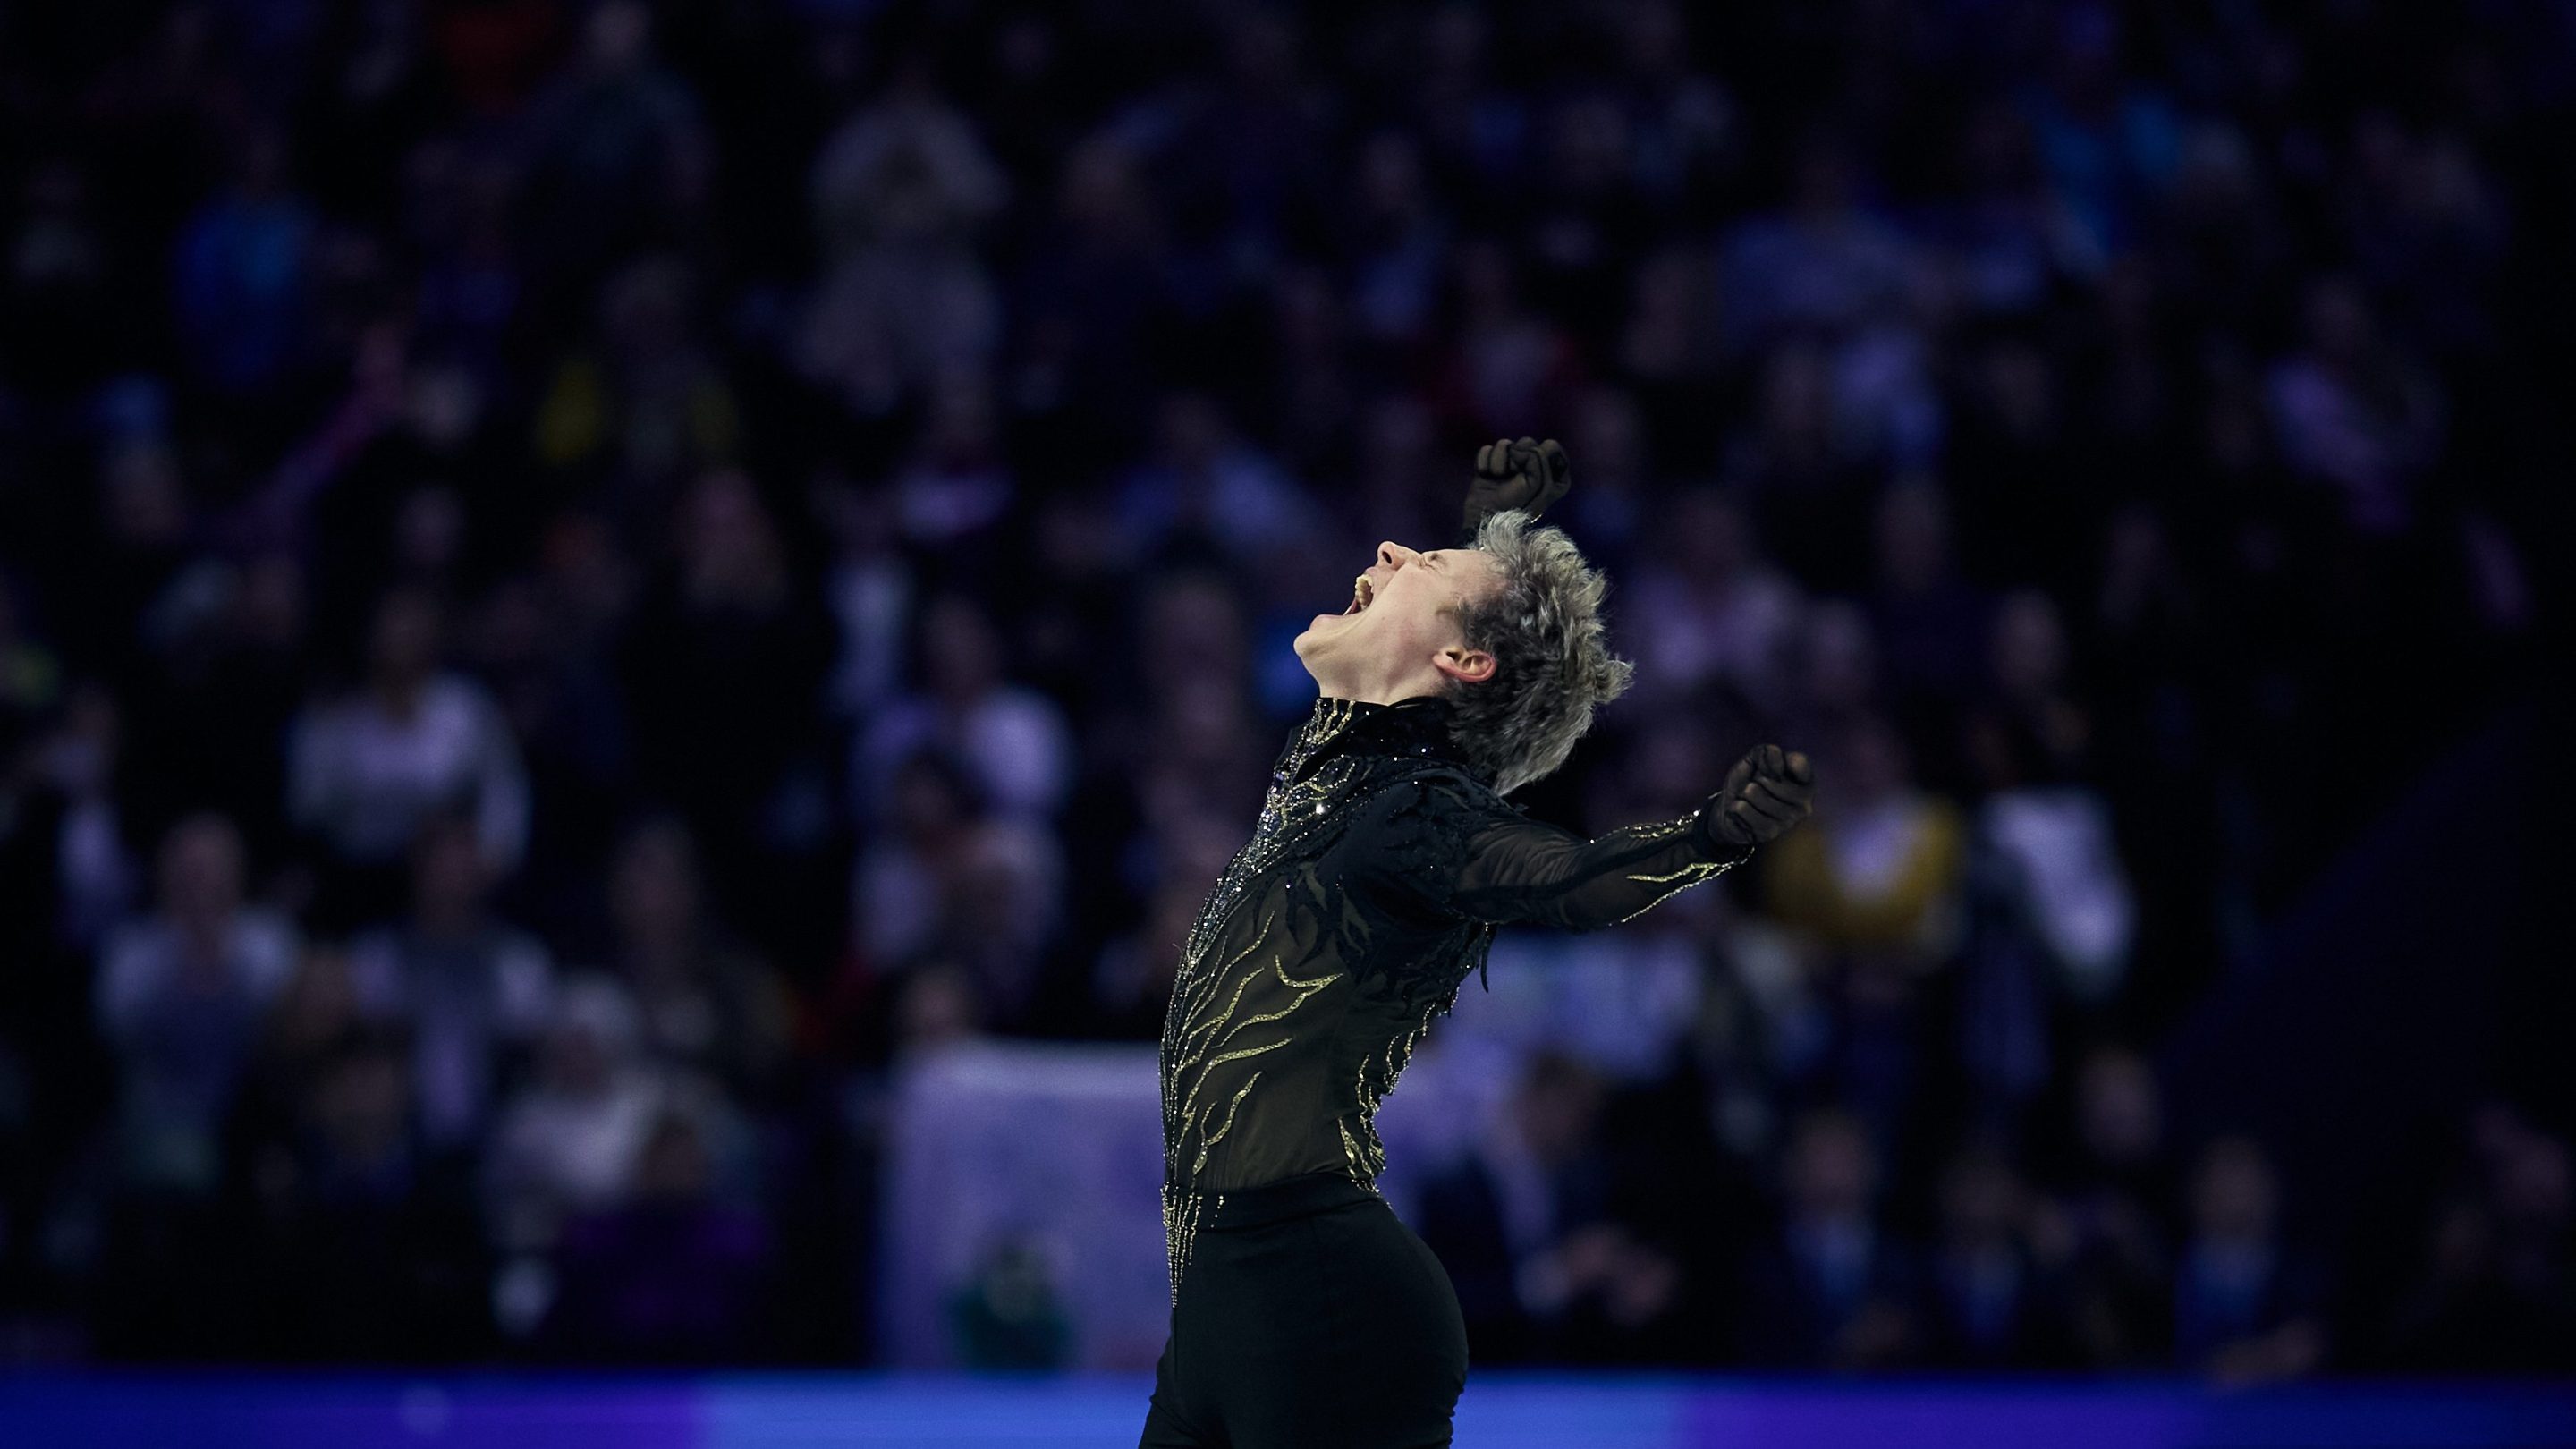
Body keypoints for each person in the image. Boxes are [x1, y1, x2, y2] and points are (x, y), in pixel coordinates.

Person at [1140, 440, 1816, 1449]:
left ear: (1460, 662)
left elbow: (1566, 878)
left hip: (1318, 1294)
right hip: (1228, 1297)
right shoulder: (1345, 765)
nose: (1385, 549)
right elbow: (1432, 686)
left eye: (1423, 566)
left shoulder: (1423, 814)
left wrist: (1704, 839)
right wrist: (1492, 535)